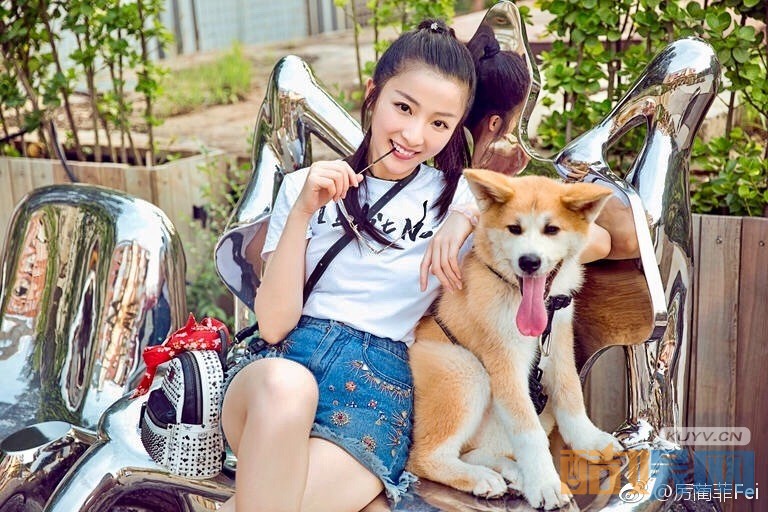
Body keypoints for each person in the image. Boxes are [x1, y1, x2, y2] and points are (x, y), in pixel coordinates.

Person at [219, 19, 479, 512]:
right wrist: (302, 212)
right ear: (373, 93)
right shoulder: (305, 186)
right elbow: (273, 324)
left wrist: (467, 218)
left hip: (373, 395)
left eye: (439, 124)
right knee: (288, 386)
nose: (414, 135)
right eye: (404, 107)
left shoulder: (457, 198)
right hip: (280, 370)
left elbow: (591, 236)